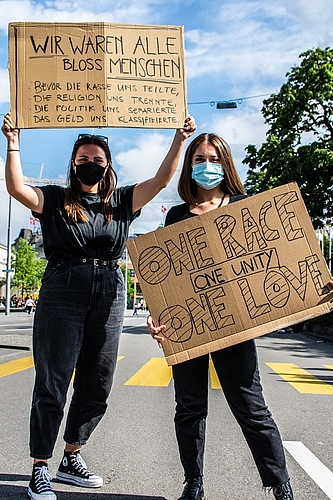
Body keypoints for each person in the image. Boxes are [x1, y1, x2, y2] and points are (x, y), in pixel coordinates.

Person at [1, 111, 196, 500]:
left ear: (108, 167)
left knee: (98, 382)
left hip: (109, 290)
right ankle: (41, 463)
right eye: (83, 160)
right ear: (73, 165)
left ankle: (72, 455)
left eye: (97, 160)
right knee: (53, 380)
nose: (90, 165)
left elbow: (160, 181)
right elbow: (17, 188)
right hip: (63, 289)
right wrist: (13, 141)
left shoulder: (122, 202)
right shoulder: (54, 199)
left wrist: (178, 138)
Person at [147, 133, 295, 500]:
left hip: (235, 329)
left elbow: (277, 260)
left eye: (213, 158)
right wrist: (157, 316)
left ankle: (281, 485)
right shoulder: (178, 216)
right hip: (189, 327)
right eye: (198, 158)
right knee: (189, 408)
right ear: (189, 165)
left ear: (225, 164)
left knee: (251, 406)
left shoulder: (244, 208)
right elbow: (167, 279)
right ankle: (193, 483)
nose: (206, 165)